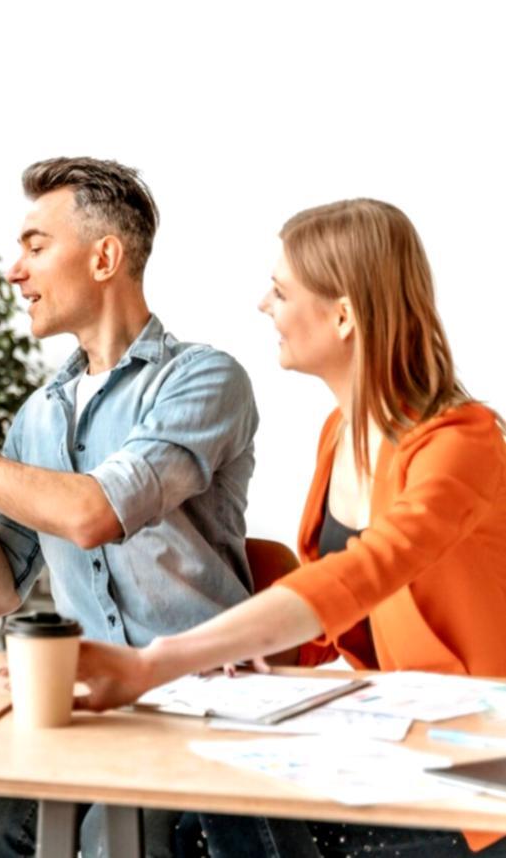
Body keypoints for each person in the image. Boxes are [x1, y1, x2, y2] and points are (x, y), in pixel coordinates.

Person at [0, 157, 259, 857]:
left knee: (108, 834)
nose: (13, 269)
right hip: (80, 697)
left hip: (192, 698)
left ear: (103, 258)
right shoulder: (39, 414)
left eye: (35, 246)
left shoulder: (201, 379)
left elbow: (94, 512)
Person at [73, 199, 506, 858]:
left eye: (279, 291)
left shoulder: (461, 442)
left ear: (342, 315)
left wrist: (155, 662)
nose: (261, 305)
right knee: (191, 814)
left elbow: (364, 571)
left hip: (477, 768)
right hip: (398, 730)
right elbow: (351, 616)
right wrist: (253, 658)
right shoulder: (340, 433)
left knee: (223, 822)